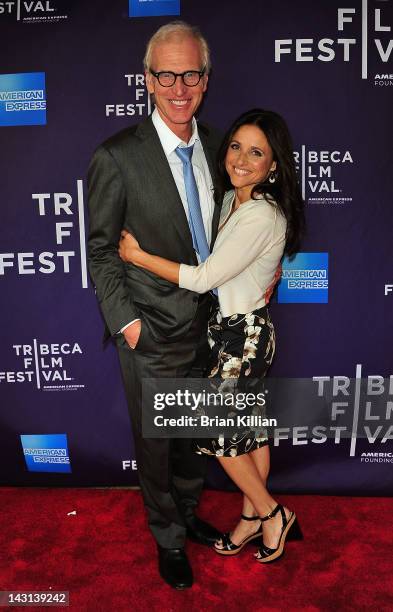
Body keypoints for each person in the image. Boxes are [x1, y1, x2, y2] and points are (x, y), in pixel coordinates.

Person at [118, 108, 306, 564]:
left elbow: (203, 278)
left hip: (243, 337)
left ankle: (272, 513)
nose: (241, 158)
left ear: (274, 165)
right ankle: (250, 520)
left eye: (257, 152)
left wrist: (137, 256)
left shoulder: (260, 214)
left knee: (221, 436)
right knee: (250, 434)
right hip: (231, 332)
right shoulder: (231, 200)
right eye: (237, 146)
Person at [87, 21, 222, 590]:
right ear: (147, 79)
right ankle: (167, 538)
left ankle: (188, 516)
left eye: (189, 73)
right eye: (165, 74)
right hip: (151, 333)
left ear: (205, 79)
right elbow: (99, 250)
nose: (178, 87)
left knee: (192, 436)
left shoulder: (222, 147)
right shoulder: (116, 157)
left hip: (209, 329)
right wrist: (127, 323)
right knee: (158, 446)